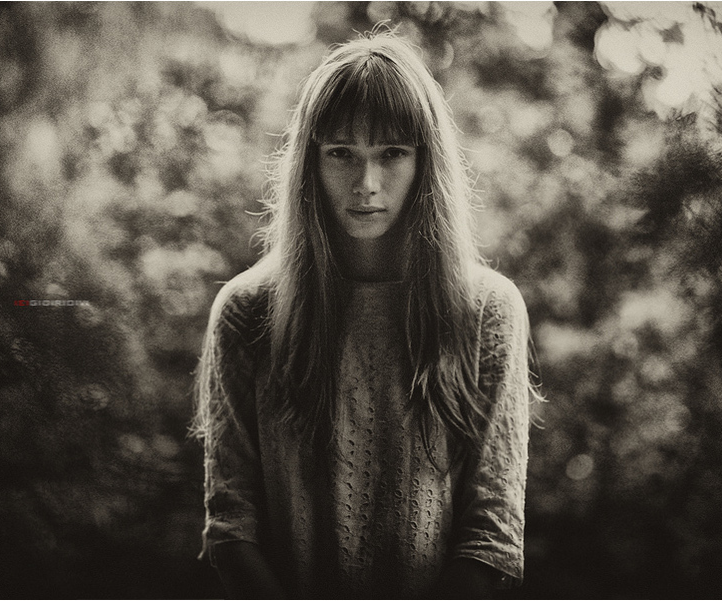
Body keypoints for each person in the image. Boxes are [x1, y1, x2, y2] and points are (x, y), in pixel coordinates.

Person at [194, 31, 535, 599]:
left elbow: (492, 534)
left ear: (426, 163)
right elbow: (231, 528)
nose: (366, 185)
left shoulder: (486, 310)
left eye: (392, 154)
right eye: (342, 153)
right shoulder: (247, 310)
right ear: (310, 162)